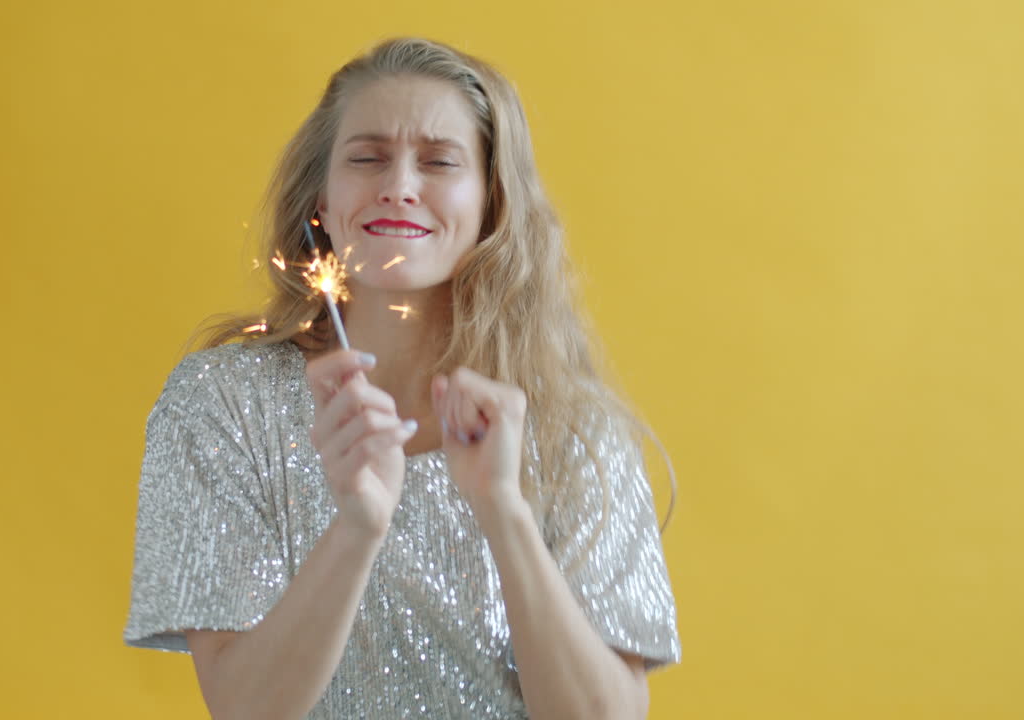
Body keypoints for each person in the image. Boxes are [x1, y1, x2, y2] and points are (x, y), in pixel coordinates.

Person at [123, 36, 681, 719]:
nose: (399, 186)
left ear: (492, 205)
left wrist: (504, 512)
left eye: (440, 162)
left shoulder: (573, 428)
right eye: (368, 157)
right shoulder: (221, 405)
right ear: (320, 197)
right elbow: (245, 710)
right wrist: (357, 524)